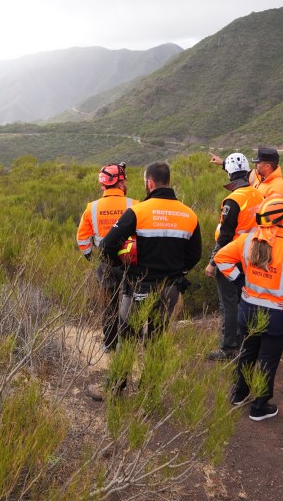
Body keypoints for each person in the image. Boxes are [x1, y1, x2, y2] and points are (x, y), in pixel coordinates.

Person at [88, 161, 203, 400]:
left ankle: (114, 389)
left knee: (127, 335)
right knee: (157, 338)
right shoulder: (189, 214)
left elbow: (107, 245)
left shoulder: (139, 211)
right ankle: (149, 390)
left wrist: (123, 266)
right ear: (167, 181)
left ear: (149, 183)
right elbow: (195, 255)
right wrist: (176, 272)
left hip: (139, 286)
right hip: (170, 289)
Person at [214, 195, 283, 421]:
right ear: (282, 220)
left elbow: (221, 257)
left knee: (247, 354)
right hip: (278, 317)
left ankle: (238, 395)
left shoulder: (246, 241)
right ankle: (259, 407)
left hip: (248, 311)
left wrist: (239, 281)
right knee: (267, 360)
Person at [204, 153, 264, 360]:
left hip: (231, 256)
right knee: (244, 299)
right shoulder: (258, 194)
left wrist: (212, 262)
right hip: (253, 255)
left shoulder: (233, 200)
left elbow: (225, 236)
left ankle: (228, 348)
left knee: (228, 303)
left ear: (230, 174)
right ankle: (244, 342)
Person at [76, 162, 136, 352]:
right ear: (120, 183)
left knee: (108, 304)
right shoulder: (134, 204)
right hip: (131, 261)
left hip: (106, 262)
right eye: (124, 180)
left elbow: (82, 238)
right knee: (131, 300)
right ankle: (128, 342)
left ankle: (109, 344)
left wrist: (90, 256)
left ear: (103, 185)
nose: (126, 183)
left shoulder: (91, 208)